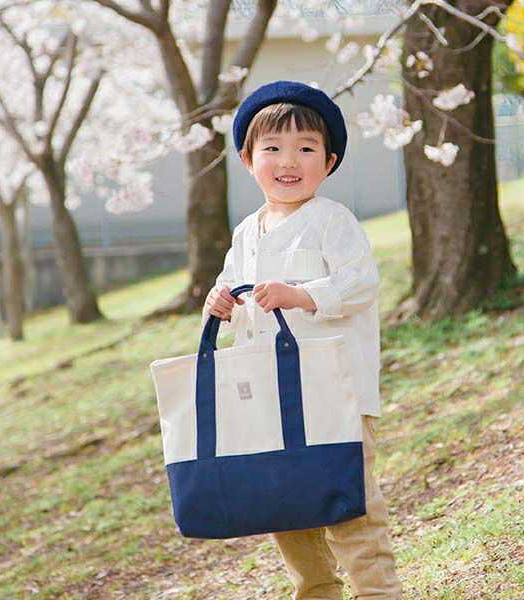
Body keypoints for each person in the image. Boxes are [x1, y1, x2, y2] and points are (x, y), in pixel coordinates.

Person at [201, 80, 404, 600]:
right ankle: (317, 591)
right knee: (287, 507)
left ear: (329, 161)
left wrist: (302, 295)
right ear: (248, 160)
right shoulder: (246, 232)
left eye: (306, 149)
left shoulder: (332, 221)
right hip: (270, 399)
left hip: (334, 394)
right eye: (272, 148)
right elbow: (233, 292)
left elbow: (360, 283)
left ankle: (378, 591)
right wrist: (220, 303)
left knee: (350, 506)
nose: (289, 161)